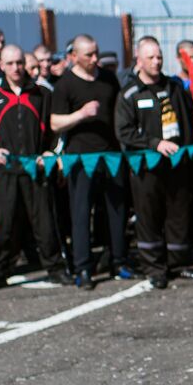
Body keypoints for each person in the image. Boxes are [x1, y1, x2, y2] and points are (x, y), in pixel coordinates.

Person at [0, 45, 68, 292]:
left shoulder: (43, 92)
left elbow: (58, 128)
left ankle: (56, 268)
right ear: (1, 65)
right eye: (10, 63)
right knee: (3, 223)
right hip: (6, 170)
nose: (15, 68)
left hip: (37, 169)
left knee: (45, 222)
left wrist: (51, 153)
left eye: (19, 63)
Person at [116, 37, 193, 289]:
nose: (156, 61)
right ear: (139, 60)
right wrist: (154, 144)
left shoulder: (174, 86)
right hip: (146, 167)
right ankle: (155, 267)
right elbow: (124, 131)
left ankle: (178, 263)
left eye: (159, 56)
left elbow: (189, 116)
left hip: (177, 164)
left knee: (179, 213)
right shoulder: (130, 93)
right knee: (149, 216)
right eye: (150, 57)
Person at [50, 35, 128, 290]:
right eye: (88, 55)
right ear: (73, 56)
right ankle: (83, 268)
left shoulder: (107, 78)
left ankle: (118, 260)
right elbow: (55, 123)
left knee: (116, 212)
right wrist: (80, 115)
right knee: (81, 213)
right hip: (80, 158)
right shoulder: (65, 85)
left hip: (111, 156)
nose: (95, 59)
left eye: (96, 53)